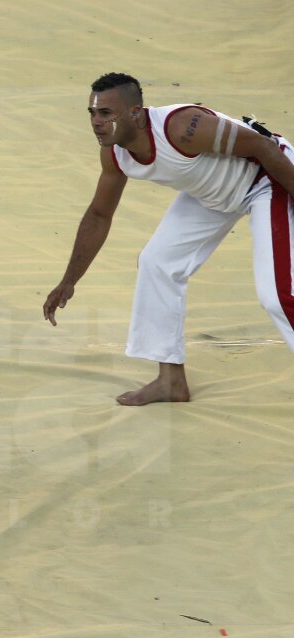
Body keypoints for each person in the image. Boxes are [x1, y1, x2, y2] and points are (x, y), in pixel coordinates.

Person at [44, 72, 294, 405]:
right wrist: (68, 280)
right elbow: (99, 216)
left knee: (275, 294)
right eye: (92, 113)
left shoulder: (182, 128)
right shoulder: (115, 153)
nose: (96, 122)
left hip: (267, 178)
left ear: (135, 113)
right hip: (213, 194)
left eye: (106, 113)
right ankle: (170, 381)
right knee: (157, 263)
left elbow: (264, 147)